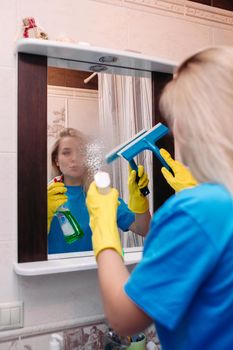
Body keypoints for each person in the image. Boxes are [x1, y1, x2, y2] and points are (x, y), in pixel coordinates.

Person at [86, 46, 233, 350]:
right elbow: (173, 249)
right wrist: (142, 206)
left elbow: (124, 318)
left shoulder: (200, 210)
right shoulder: (211, 207)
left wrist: (102, 225)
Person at [47, 128, 151, 254]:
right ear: (56, 160)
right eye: (66, 152)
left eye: (81, 152)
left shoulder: (102, 194)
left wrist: (139, 200)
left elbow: (144, 229)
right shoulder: (47, 196)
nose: (74, 158)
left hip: (96, 271)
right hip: (54, 272)